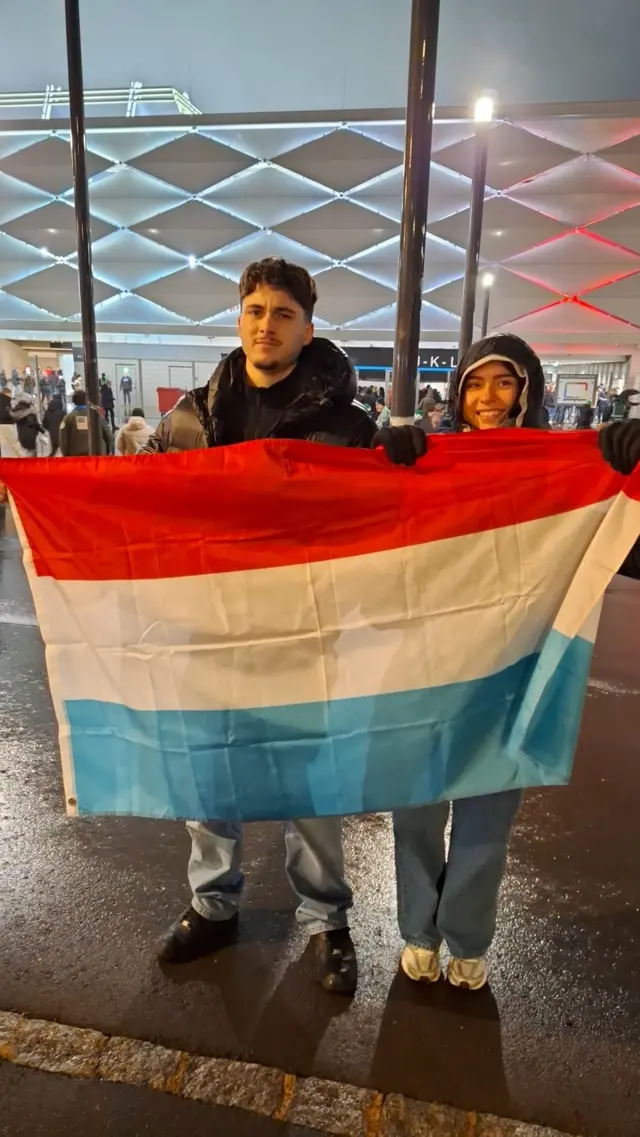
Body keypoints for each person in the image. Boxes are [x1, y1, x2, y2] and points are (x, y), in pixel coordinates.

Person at [143, 256, 421, 994]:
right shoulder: (189, 420)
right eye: (255, 310)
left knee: (311, 788)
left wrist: (407, 460)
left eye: (284, 313)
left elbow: (392, 519)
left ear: (308, 327)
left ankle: (326, 919)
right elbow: (146, 508)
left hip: (307, 631)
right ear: (240, 319)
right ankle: (213, 905)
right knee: (209, 778)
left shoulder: (348, 427)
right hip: (209, 627)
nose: (266, 325)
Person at [395, 333, 640, 992]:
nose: (488, 398)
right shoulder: (428, 461)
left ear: (529, 390)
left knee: (485, 816)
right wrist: (384, 460)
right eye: (475, 384)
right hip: (424, 668)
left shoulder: (561, 471)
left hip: (511, 671)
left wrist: (628, 469)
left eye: (504, 383)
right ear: (456, 394)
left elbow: (628, 550)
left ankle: (467, 936)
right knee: (415, 806)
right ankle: (418, 928)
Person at [59, 390, 113, 456]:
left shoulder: (68, 418)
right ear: (86, 401)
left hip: (76, 458)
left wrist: (66, 455)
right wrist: (106, 451)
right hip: (97, 457)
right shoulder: (97, 416)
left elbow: (63, 438)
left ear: (74, 401)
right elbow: (109, 436)